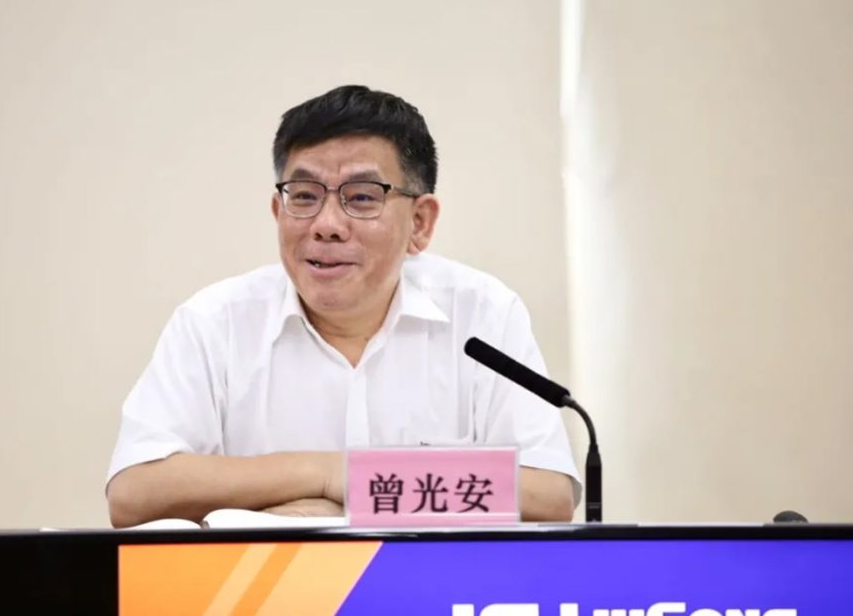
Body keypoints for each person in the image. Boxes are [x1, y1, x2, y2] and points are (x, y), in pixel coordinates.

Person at [106, 85, 579, 527]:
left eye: (362, 198)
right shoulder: (215, 323)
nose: (327, 224)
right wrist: (329, 473)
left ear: (419, 222)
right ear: (278, 212)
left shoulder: (482, 313)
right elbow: (134, 493)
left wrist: (349, 497)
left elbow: (547, 494)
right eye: (304, 197)